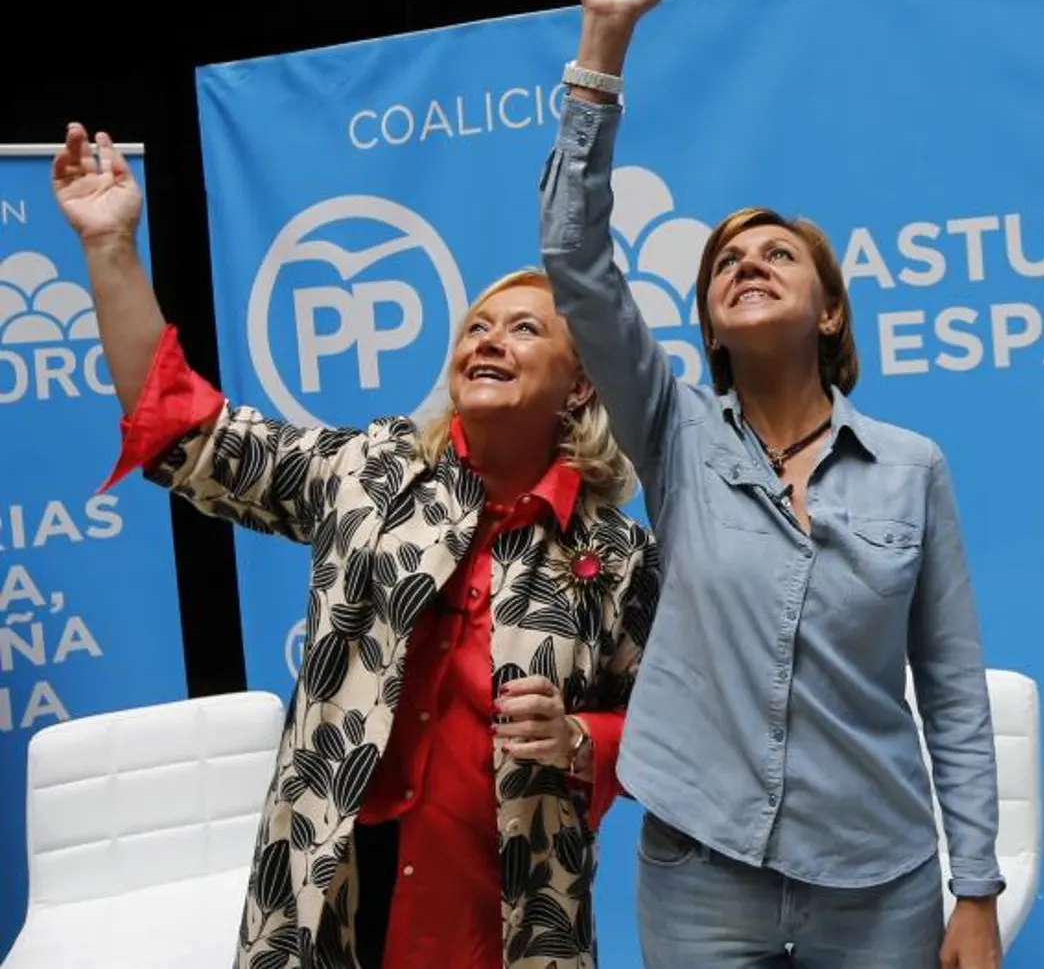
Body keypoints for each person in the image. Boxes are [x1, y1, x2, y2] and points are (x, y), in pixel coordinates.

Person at [51, 120, 661, 969]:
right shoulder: (368, 470)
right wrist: (112, 246)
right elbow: (186, 433)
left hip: (509, 916)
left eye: (524, 329)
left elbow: (677, 723)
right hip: (331, 897)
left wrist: (583, 739)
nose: (488, 338)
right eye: (478, 325)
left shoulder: (618, 553)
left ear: (582, 381)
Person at [537, 0, 1005, 969]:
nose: (747, 262)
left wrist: (972, 887)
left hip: (877, 880)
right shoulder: (673, 429)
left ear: (829, 311)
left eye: (777, 253)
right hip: (699, 868)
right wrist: (602, 52)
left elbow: (951, 686)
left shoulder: (911, 467)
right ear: (705, 323)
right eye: (725, 262)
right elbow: (573, 255)